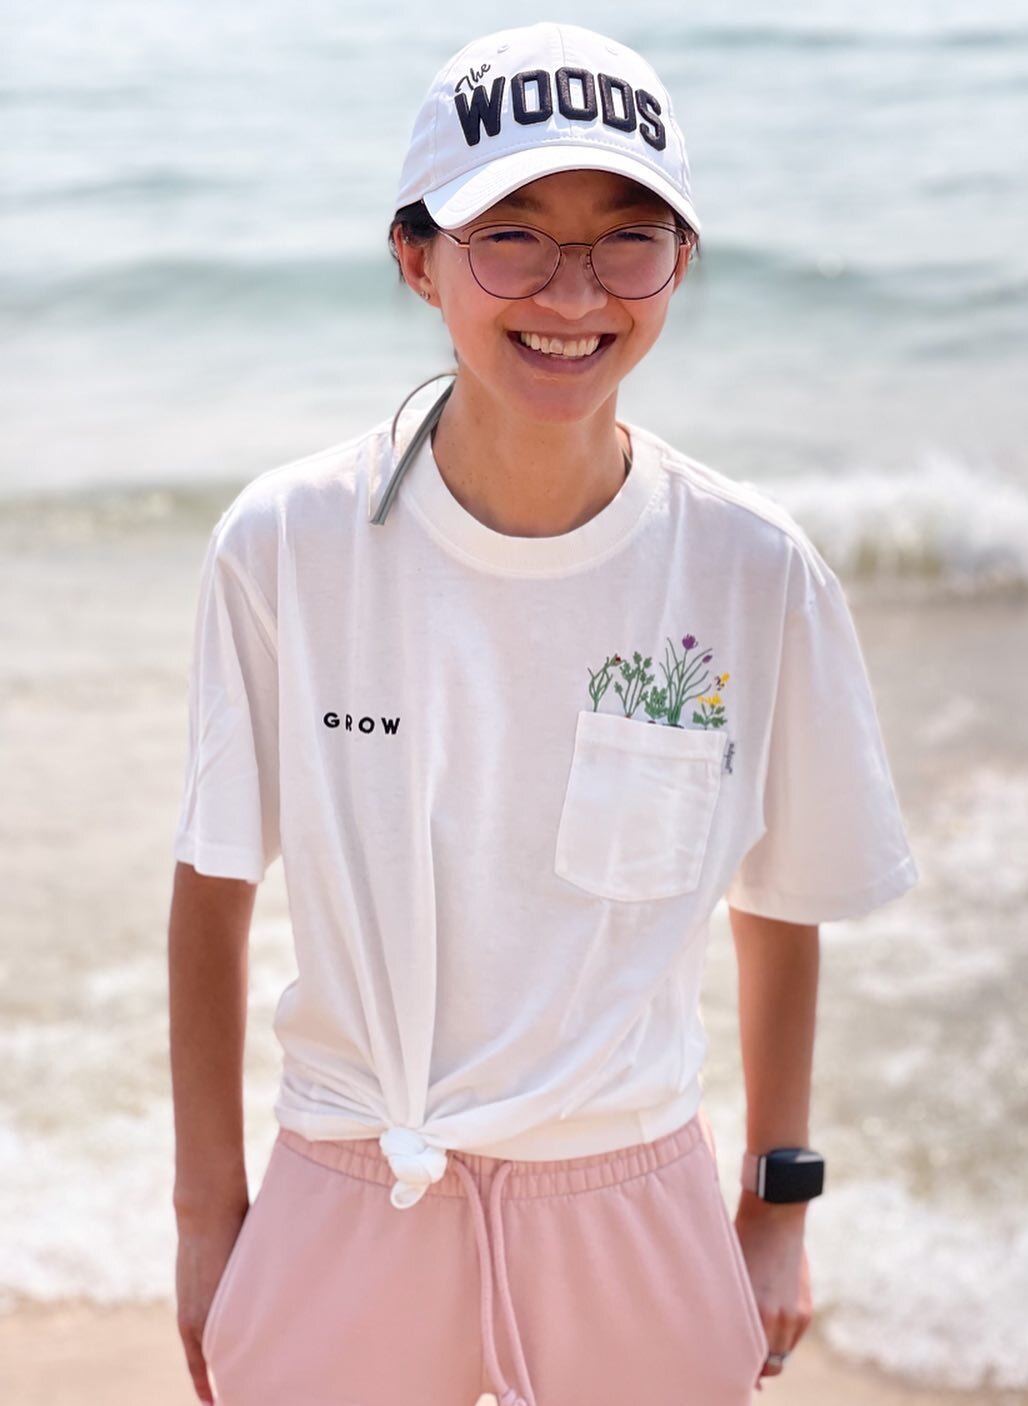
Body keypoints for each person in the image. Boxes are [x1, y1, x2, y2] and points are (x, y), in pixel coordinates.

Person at [168, 20, 919, 1406]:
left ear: (678, 264)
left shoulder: (751, 567)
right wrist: (207, 1220)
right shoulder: (287, 541)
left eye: (627, 239)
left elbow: (781, 900)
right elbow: (211, 885)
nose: (571, 293)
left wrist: (778, 1204)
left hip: (629, 1185)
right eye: (509, 236)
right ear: (416, 259)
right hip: (354, 1168)